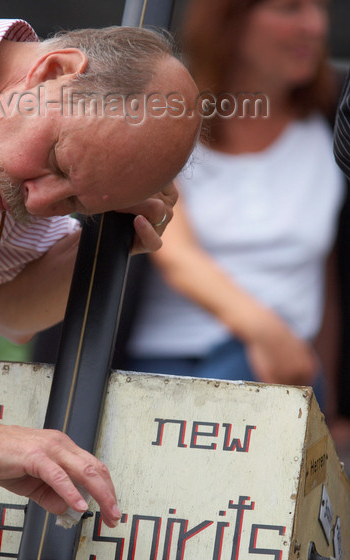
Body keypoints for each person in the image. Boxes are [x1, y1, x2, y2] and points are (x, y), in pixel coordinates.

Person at [0, 0, 201, 527]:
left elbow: (9, 308)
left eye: (73, 203)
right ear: (53, 72)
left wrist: (111, 243)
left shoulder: (1, 139)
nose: (36, 203)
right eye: (57, 162)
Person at [119, 0, 345, 410]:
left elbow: (326, 276)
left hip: (290, 372)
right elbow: (174, 250)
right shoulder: (166, 116)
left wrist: (330, 405)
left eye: (321, 8)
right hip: (164, 364)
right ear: (228, 21)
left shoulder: (331, 124)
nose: (315, 25)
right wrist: (266, 333)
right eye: (291, 8)